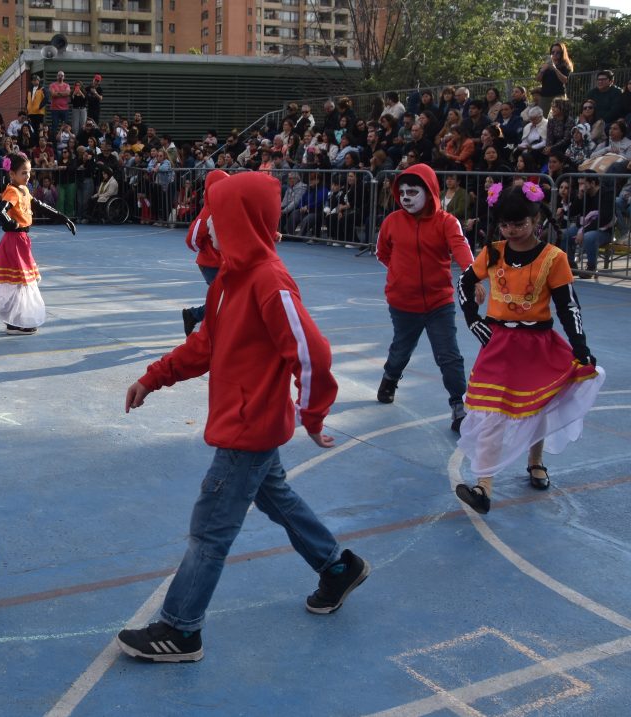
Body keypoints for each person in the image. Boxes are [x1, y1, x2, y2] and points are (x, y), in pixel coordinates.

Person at [115, 172, 369, 664]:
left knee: (210, 529)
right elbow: (205, 344)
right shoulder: (229, 280)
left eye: (216, 217)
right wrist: (153, 377)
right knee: (278, 499)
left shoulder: (269, 282)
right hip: (245, 419)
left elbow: (312, 351)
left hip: (248, 429)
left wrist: (313, 415)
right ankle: (338, 568)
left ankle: (180, 628)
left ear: (239, 222)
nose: (206, 226)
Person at [454, 183, 603, 514]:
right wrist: (472, 319)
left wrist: (580, 348)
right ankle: (484, 486)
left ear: (537, 219)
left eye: (519, 224)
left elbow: (568, 307)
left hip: (539, 345)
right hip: (498, 345)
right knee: (491, 414)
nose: (511, 231)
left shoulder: (555, 258)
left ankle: (535, 461)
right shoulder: (493, 251)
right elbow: (465, 282)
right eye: (505, 225)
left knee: (536, 408)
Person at [375, 164, 474, 432]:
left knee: (449, 355)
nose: (406, 197)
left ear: (429, 192)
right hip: (402, 303)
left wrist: (472, 275)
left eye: (413, 191)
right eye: (402, 192)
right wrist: (399, 275)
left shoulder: (447, 222)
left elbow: (461, 248)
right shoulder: (392, 222)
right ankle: (390, 377)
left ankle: (459, 405)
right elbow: (382, 252)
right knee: (401, 349)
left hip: (439, 303)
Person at [0, 153, 75, 335]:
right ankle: (17, 322)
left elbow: (39, 204)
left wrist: (62, 216)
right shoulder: (12, 191)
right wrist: (13, 224)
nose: (27, 176)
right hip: (15, 241)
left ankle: (13, 322)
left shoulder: (24, 190)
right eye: (23, 173)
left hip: (21, 241)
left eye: (29, 172)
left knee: (18, 283)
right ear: (12, 174)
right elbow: (0, 212)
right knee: (21, 282)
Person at [181, 171, 230, 336]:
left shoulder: (228, 207)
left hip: (223, 262)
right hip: (211, 264)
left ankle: (194, 316)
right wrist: (206, 250)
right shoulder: (207, 211)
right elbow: (192, 238)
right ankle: (202, 325)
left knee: (227, 298)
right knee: (226, 299)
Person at [536, 42, 572, 114]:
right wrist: (542, 71)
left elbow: (565, 80)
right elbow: (538, 79)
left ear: (562, 53)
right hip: (545, 96)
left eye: (558, 52)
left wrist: (555, 69)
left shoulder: (565, 65)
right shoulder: (545, 65)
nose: (555, 54)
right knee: (541, 117)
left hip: (558, 95)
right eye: (553, 52)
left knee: (561, 116)